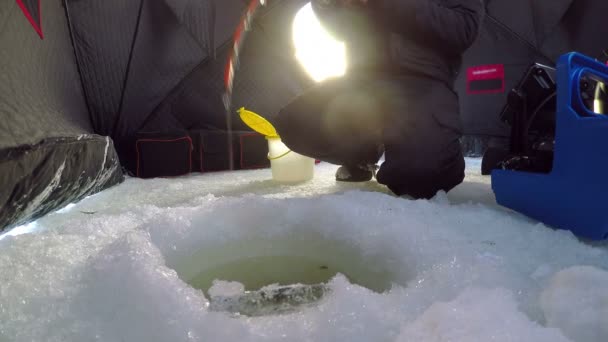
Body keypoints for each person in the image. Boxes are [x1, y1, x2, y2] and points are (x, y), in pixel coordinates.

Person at [274, 0, 485, 199]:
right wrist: (331, 5)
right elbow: (339, 29)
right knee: (295, 123)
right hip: (363, 80)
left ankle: (439, 146)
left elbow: (463, 29)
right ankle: (362, 156)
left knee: (422, 176)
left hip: (422, 81)